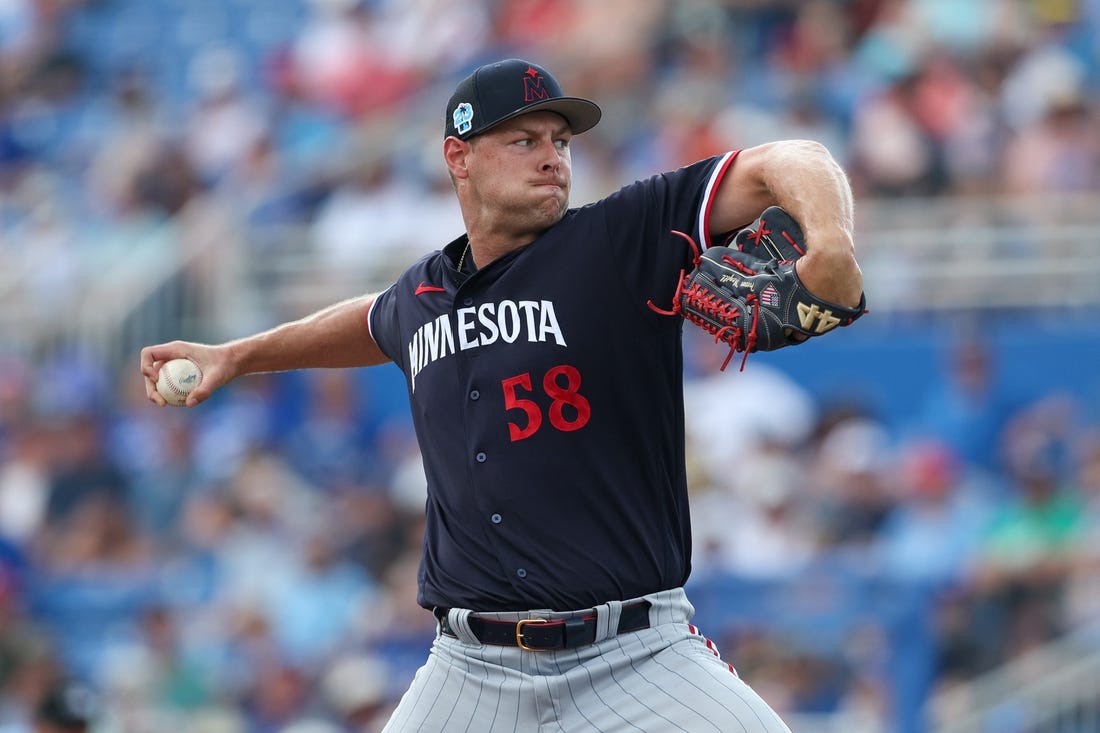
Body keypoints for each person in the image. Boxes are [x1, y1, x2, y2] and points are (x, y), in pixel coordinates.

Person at [141, 58, 864, 732]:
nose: (553, 156)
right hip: (468, 667)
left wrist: (829, 239)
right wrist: (235, 356)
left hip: (633, 654)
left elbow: (791, 160)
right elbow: (366, 322)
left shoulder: (619, 241)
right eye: (524, 140)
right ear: (459, 157)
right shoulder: (421, 297)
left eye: (560, 139)